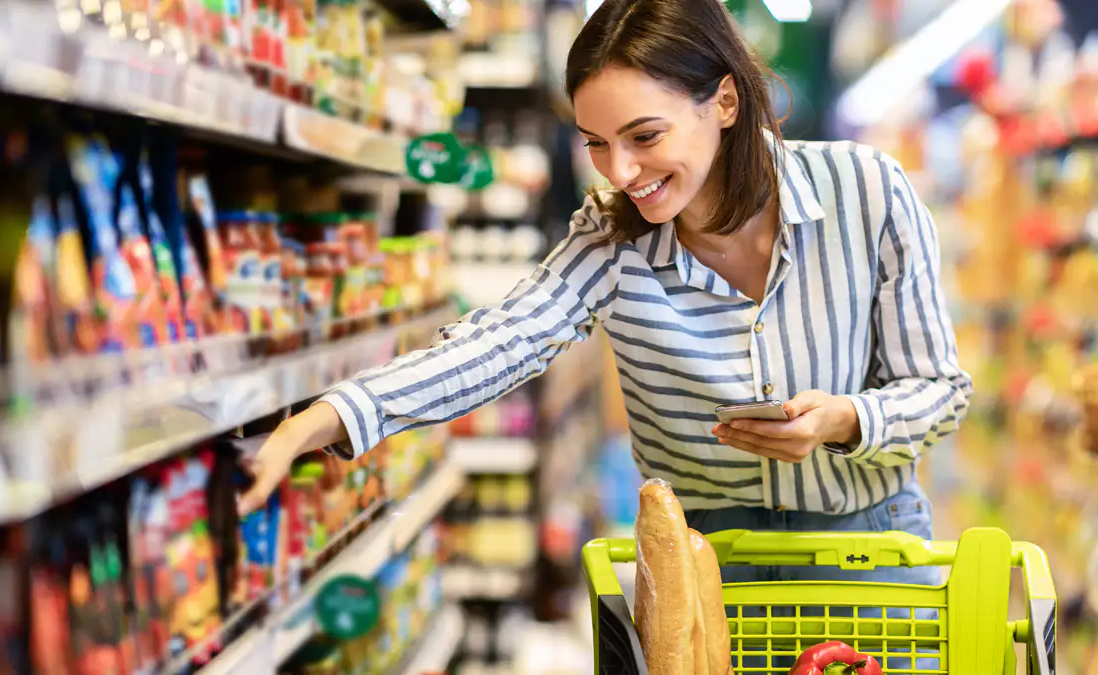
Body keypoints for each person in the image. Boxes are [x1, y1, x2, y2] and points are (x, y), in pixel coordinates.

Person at [240, 0, 970, 596]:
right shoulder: (612, 237)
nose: (620, 171)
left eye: (644, 135)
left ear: (723, 101)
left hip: (866, 557)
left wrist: (847, 418)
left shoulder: (867, 191)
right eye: (595, 142)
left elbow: (940, 389)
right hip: (700, 573)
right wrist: (330, 416)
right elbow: (503, 340)